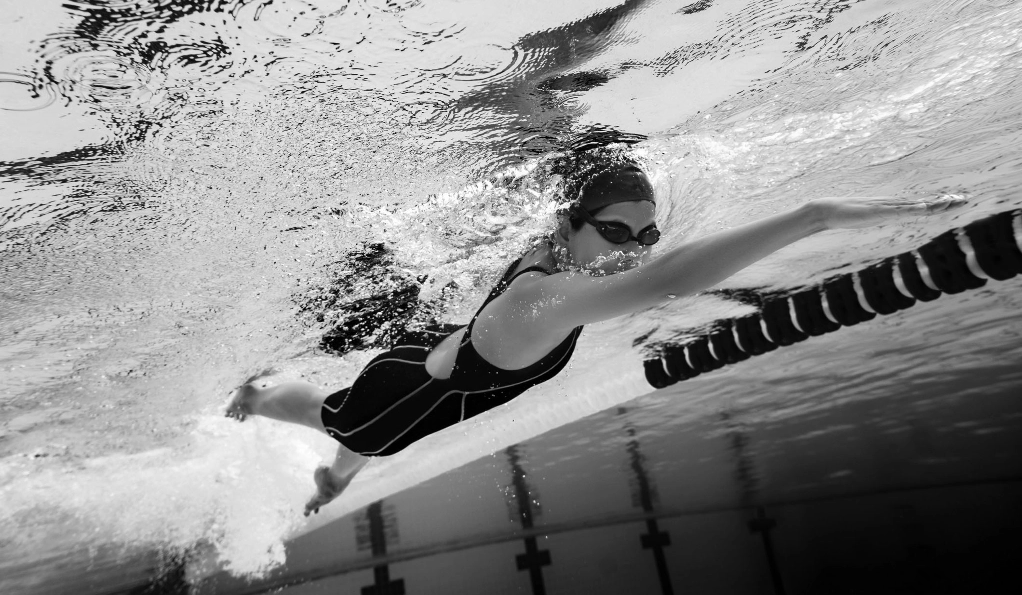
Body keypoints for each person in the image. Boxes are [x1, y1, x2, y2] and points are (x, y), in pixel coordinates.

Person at [225, 147, 965, 516]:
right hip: (403, 394)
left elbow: (634, 259)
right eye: (616, 233)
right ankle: (256, 397)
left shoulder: (558, 257)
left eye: (646, 236)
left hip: (443, 359)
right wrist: (817, 217)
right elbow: (670, 280)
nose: (633, 253)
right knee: (344, 428)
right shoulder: (544, 302)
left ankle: (328, 472)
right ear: (568, 227)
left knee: (359, 448)